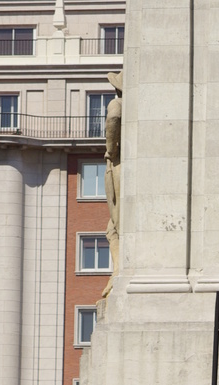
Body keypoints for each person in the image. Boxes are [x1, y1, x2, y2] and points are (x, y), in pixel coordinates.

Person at [102, 70, 122, 297]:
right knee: (114, 226)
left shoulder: (117, 103)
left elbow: (113, 118)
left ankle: (118, 272)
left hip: (118, 167)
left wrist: (110, 150)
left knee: (115, 227)